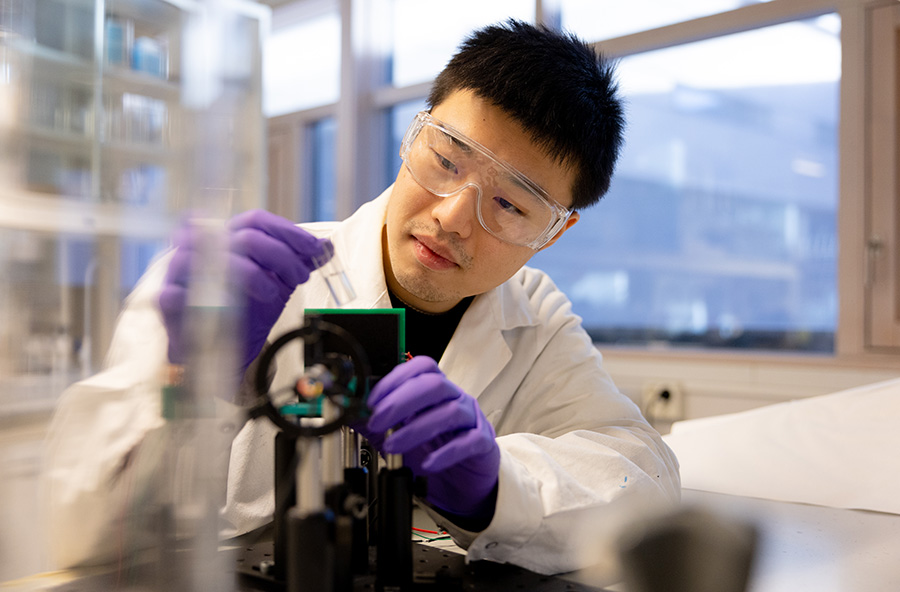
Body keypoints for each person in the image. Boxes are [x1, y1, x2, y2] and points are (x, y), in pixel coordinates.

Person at [44, 19, 679, 576]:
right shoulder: (236, 281)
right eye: (447, 160)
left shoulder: (534, 320)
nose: (454, 216)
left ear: (554, 230)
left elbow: (643, 477)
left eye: (511, 204)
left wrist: (496, 487)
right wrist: (186, 375)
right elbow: (79, 523)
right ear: (414, 135)